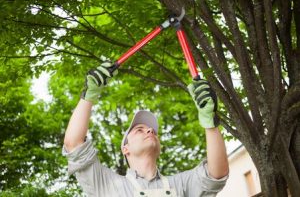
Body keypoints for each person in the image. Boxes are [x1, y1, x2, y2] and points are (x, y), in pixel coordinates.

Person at [63, 61, 229, 197]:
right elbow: (74, 144)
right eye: (139, 130)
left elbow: (216, 174)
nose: (150, 131)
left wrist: (210, 122)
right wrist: (89, 95)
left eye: (152, 131)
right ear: (125, 149)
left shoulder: (180, 185)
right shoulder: (107, 185)